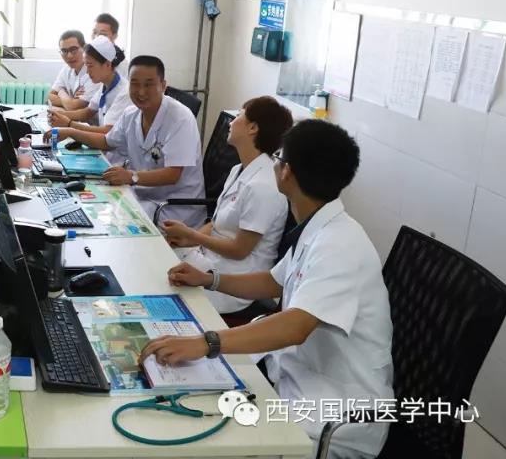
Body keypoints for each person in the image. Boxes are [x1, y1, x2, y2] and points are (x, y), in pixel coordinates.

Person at [140, 120, 393, 459]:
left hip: (331, 416)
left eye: (278, 157)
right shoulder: (319, 228)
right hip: (294, 380)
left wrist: (206, 343)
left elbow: (296, 326)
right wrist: (209, 279)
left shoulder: (339, 245)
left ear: (287, 172)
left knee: (193, 439)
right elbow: (272, 282)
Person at [161, 96, 293, 313]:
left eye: (239, 115)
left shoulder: (263, 186)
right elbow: (216, 224)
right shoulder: (238, 170)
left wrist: (193, 236)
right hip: (211, 260)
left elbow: (239, 250)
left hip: (235, 282)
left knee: (161, 283)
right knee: (155, 258)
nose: (231, 122)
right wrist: (187, 240)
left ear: (252, 128)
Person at [54, 55, 206, 226]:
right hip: (142, 195)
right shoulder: (131, 114)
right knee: (92, 208)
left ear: (163, 86)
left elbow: (172, 174)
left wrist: (131, 176)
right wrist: (71, 132)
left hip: (174, 207)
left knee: (111, 223)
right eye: (135, 84)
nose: (141, 92)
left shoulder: (180, 118)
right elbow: (106, 142)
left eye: (148, 84)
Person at [47, 35, 132, 149]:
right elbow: (87, 112)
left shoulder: (124, 92)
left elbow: (108, 131)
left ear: (107, 64)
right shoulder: (104, 86)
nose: (87, 71)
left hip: (116, 155)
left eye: (90, 66)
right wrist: (58, 116)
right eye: (86, 65)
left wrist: (69, 125)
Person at [47, 29, 97, 110]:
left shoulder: (94, 72)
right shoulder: (66, 69)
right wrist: (69, 100)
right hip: (71, 116)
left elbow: (73, 106)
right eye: (64, 51)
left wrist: (61, 92)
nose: (69, 56)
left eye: (73, 49)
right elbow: (48, 97)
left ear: (84, 48)